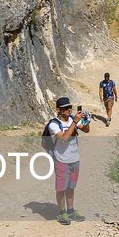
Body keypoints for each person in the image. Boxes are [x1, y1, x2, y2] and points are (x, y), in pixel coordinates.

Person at [48, 96, 89, 225]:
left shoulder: (73, 119)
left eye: (69, 107)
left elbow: (86, 130)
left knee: (71, 187)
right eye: (65, 108)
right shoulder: (54, 124)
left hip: (74, 159)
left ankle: (70, 211)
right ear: (58, 110)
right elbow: (64, 138)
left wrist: (86, 121)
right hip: (61, 160)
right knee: (61, 188)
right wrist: (75, 122)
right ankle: (62, 213)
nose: (68, 110)